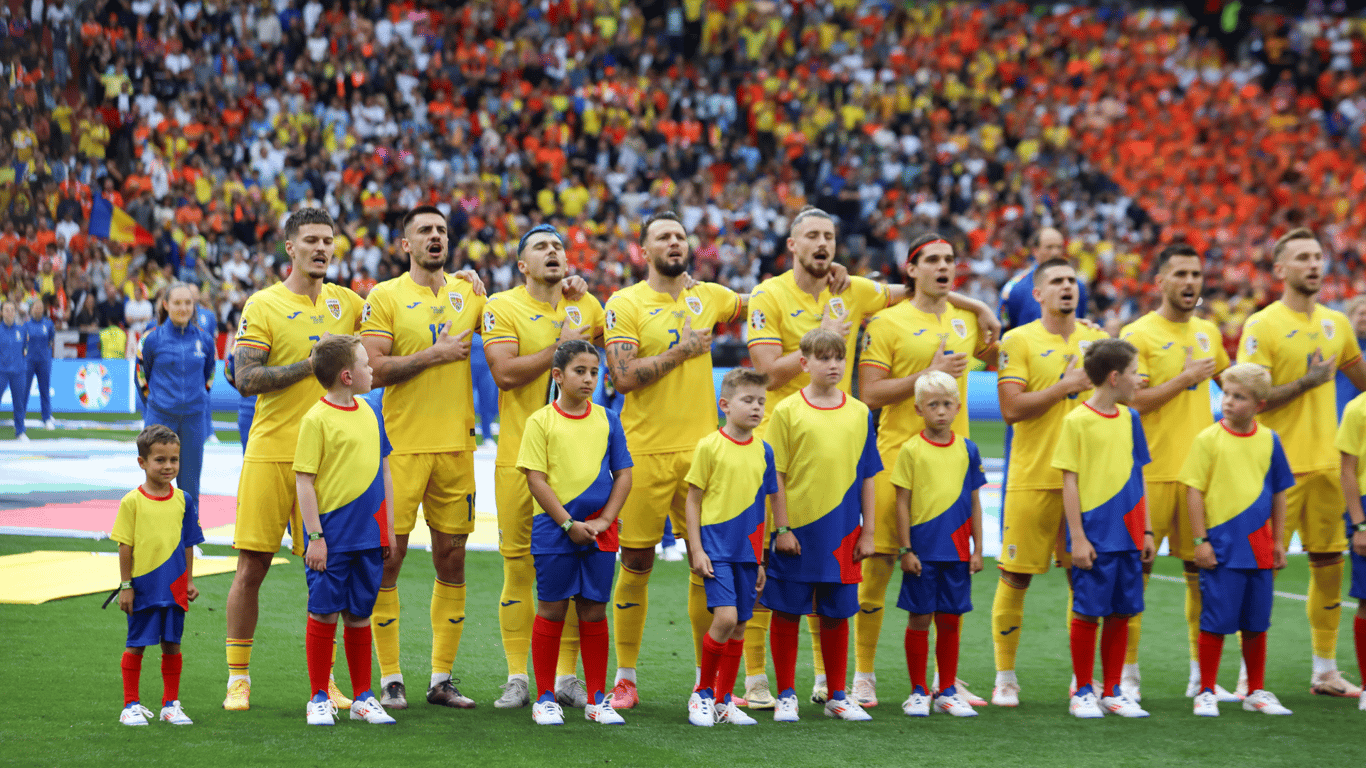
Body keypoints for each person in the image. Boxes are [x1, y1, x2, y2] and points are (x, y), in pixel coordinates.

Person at [746, 211, 999, 707]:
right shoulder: (768, 295)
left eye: (830, 236)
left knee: (834, 564)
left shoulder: (857, 292)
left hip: (841, 446)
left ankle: (832, 678)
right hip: (784, 444)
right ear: (793, 243)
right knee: (770, 562)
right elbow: (767, 375)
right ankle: (757, 677)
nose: (822, 243)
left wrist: (978, 306)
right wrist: (820, 331)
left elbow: (916, 289)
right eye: (813, 235)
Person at [223, 208, 369, 711]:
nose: (321, 248)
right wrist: (308, 366)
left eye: (328, 240)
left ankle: (323, 681)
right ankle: (238, 678)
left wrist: (461, 280)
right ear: (290, 247)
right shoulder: (263, 305)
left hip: (328, 464)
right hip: (271, 452)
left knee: (326, 572)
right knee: (252, 566)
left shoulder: (349, 304)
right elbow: (245, 379)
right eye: (311, 240)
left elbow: (397, 314)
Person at [603, 211, 744, 709]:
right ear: (645, 251)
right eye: (664, 236)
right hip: (642, 452)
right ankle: (625, 678)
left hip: (703, 454)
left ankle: (707, 683)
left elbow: (761, 306)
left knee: (705, 565)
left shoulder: (710, 296)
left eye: (681, 236)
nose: (675, 242)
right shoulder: (624, 304)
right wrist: (683, 351)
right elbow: (621, 377)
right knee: (636, 560)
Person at [855, 233, 996, 708]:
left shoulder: (966, 323)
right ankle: (863, 675)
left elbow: (1004, 357)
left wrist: (983, 310)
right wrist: (926, 372)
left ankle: (945, 680)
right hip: (895, 460)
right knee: (877, 571)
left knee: (947, 576)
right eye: (932, 260)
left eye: (949, 260)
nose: (943, 267)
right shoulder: (888, 323)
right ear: (911, 270)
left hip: (952, 471)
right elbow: (870, 394)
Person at [360, 205, 485, 711]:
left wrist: (571, 287)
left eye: (442, 230)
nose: (436, 237)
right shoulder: (385, 296)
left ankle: (441, 679)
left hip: (456, 446)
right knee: (388, 559)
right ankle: (391, 678)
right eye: (425, 231)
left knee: (452, 559)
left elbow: (521, 311)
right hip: (400, 448)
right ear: (405, 244)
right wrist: (433, 355)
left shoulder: (471, 293)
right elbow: (372, 369)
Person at [1237, 227, 1366, 697]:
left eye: (1318, 257)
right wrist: (1309, 382)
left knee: (1329, 563)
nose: (1315, 265)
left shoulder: (1337, 323)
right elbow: (1251, 397)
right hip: (1274, 469)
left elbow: (1362, 378)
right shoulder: (1262, 325)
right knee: (1260, 569)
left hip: (1329, 464)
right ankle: (1248, 678)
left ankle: (1325, 670)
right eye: (1303, 258)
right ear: (1280, 270)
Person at [482, 224, 601, 709]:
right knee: (518, 570)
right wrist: (561, 342)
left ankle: (567, 676)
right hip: (518, 460)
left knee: (574, 570)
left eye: (558, 246)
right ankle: (518, 676)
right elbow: (506, 375)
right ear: (522, 265)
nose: (553, 252)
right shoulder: (502, 307)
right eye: (540, 247)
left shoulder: (588, 306)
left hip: (580, 463)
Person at [991, 258, 1109, 706]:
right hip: (1032, 478)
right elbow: (1011, 409)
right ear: (1037, 294)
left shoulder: (1097, 341)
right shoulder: (1017, 340)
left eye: (1071, 281)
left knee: (1084, 580)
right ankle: (1005, 677)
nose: (1067, 287)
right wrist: (1066, 385)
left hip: (1088, 483)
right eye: (1056, 282)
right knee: (1015, 578)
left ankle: (1084, 681)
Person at [1119, 244, 1230, 701]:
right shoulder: (1138, 333)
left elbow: (1234, 386)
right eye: (1180, 274)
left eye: (1197, 274)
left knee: (1202, 577)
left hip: (1197, 478)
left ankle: (1202, 678)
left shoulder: (1209, 332)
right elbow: (1133, 400)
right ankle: (1126, 676)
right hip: (1149, 473)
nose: (1190, 282)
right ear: (1159, 282)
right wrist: (1184, 379)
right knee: (1135, 578)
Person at [762, 328, 880, 723]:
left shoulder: (860, 412)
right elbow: (775, 474)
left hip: (843, 531)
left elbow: (868, 476)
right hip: (797, 529)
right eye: (823, 357)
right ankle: (786, 695)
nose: (832, 365)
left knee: (837, 611)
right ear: (804, 363)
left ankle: (838, 694)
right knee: (787, 611)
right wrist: (782, 528)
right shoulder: (786, 411)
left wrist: (868, 531)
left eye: (838, 358)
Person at [517, 340, 633, 726]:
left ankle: (598, 699)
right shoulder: (540, 421)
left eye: (593, 372)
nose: (588, 379)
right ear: (557, 376)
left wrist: (604, 522)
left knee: (594, 609)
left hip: (600, 532)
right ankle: (545, 697)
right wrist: (568, 523)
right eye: (579, 371)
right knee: (552, 608)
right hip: (554, 531)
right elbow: (536, 478)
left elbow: (624, 475)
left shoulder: (607, 419)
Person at [1181, 363, 1295, 717]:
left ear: (1259, 404)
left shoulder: (1270, 440)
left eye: (1239, 397)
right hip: (1223, 550)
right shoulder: (1207, 439)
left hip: (1259, 550)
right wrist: (1200, 540)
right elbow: (1193, 491)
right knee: (1215, 621)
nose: (1229, 402)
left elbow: (1279, 493)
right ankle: (1206, 690)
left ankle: (1256, 691)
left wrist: (1278, 541)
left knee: (1257, 624)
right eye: (1227, 395)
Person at [294, 335, 397, 726]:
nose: (373, 369)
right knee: (323, 614)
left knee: (359, 614)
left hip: (369, 536)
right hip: (331, 539)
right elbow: (304, 481)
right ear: (348, 375)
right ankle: (319, 696)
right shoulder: (315, 420)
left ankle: (363, 697)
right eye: (366, 365)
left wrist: (386, 529)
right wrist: (315, 537)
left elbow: (384, 469)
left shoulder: (372, 413)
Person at [1051, 338, 1154, 719]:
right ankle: (1082, 690)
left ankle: (1112, 690)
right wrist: (1077, 536)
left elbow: (1139, 475)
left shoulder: (1131, 419)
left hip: (1129, 534)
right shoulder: (1076, 421)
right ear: (1115, 377)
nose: (1139, 378)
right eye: (1133, 371)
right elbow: (1070, 481)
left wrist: (1147, 530)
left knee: (1121, 613)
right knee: (1088, 612)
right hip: (1095, 535)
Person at [683, 368, 779, 727]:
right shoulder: (710, 445)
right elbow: (693, 500)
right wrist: (697, 549)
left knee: (739, 624)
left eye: (761, 402)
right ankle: (702, 693)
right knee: (724, 618)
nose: (756, 408)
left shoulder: (764, 451)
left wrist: (761, 559)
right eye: (748, 400)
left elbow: (765, 506)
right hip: (716, 549)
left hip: (748, 553)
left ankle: (723, 701)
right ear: (725, 404)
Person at [892, 370, 986, 718]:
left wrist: (977, 548)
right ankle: (918, 691)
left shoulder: (968, 449)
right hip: (923, 552)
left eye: (948, 404)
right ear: (919, 409)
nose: (941, 411)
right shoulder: (911, 450)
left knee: (950, 621)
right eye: (933, 405)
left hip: (958, 552)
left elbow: (975, 501)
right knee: (919, 618)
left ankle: (946, 689)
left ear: (958, 407)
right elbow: (901, 502)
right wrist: (906, 549)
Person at [112, 425, 204, 726]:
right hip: (143, 587)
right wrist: (126, 585)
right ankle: (130, 705)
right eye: (160, 460)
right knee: (136, 642)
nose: (168, 466)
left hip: (175, 586)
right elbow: (125, 547)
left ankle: (170, 704)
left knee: (172, 644)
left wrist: (189, 580)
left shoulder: (184, 500)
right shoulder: (132, 502)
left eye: (174, 460)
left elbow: (189, 543)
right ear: (142, 463)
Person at [136, 283, 215, 509]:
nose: (183, 308)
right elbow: (141, 377)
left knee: (190, 486)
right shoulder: (151, 339)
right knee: (156, 482)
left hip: (193, 420)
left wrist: (196, 399)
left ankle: (190, 541)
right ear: (165, 305)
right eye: (177, 303)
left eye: (188, 303)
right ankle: (155, 539)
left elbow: (209, 374)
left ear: (194, 306)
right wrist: (156, 404)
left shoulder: (205, 340)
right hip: (160, 418)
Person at [1336, 389, 1366, 712]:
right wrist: (1359, 524)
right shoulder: (1357, 409)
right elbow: (1347, 470)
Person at [998, 227, 1089, 331]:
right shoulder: (1014, 287)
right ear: (1035, 250)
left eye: (1059, 247)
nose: (1055, 252)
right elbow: (1004, 329)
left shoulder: (1077, 285)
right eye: (1049, 247)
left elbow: (1080, 322)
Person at [23, 299, 55, 430]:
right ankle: (20, 417)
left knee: (44, 390)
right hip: (29, 362)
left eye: (40, 308)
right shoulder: (26, 325)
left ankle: (46, 417)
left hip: (43, 362)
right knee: (24, 391)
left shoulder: (48, 324)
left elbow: (51, 340)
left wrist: (45, 355)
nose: (38, 310)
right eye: (36, 307)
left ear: (43, 310)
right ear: (31, 310)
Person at [1335, 296, 1366, 421]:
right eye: (1361, 314)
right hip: (1342, 413)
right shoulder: (1339, 345)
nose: (1365, 318)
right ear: (1350, 316)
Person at [1, 301, 28, 441]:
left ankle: (20, 431)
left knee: (19, 403)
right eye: (7, 310)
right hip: (1, 372)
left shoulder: (21, 330)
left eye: (12, 310)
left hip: (18, 372)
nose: (10, 312)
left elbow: (24, 349)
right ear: (2, 312)